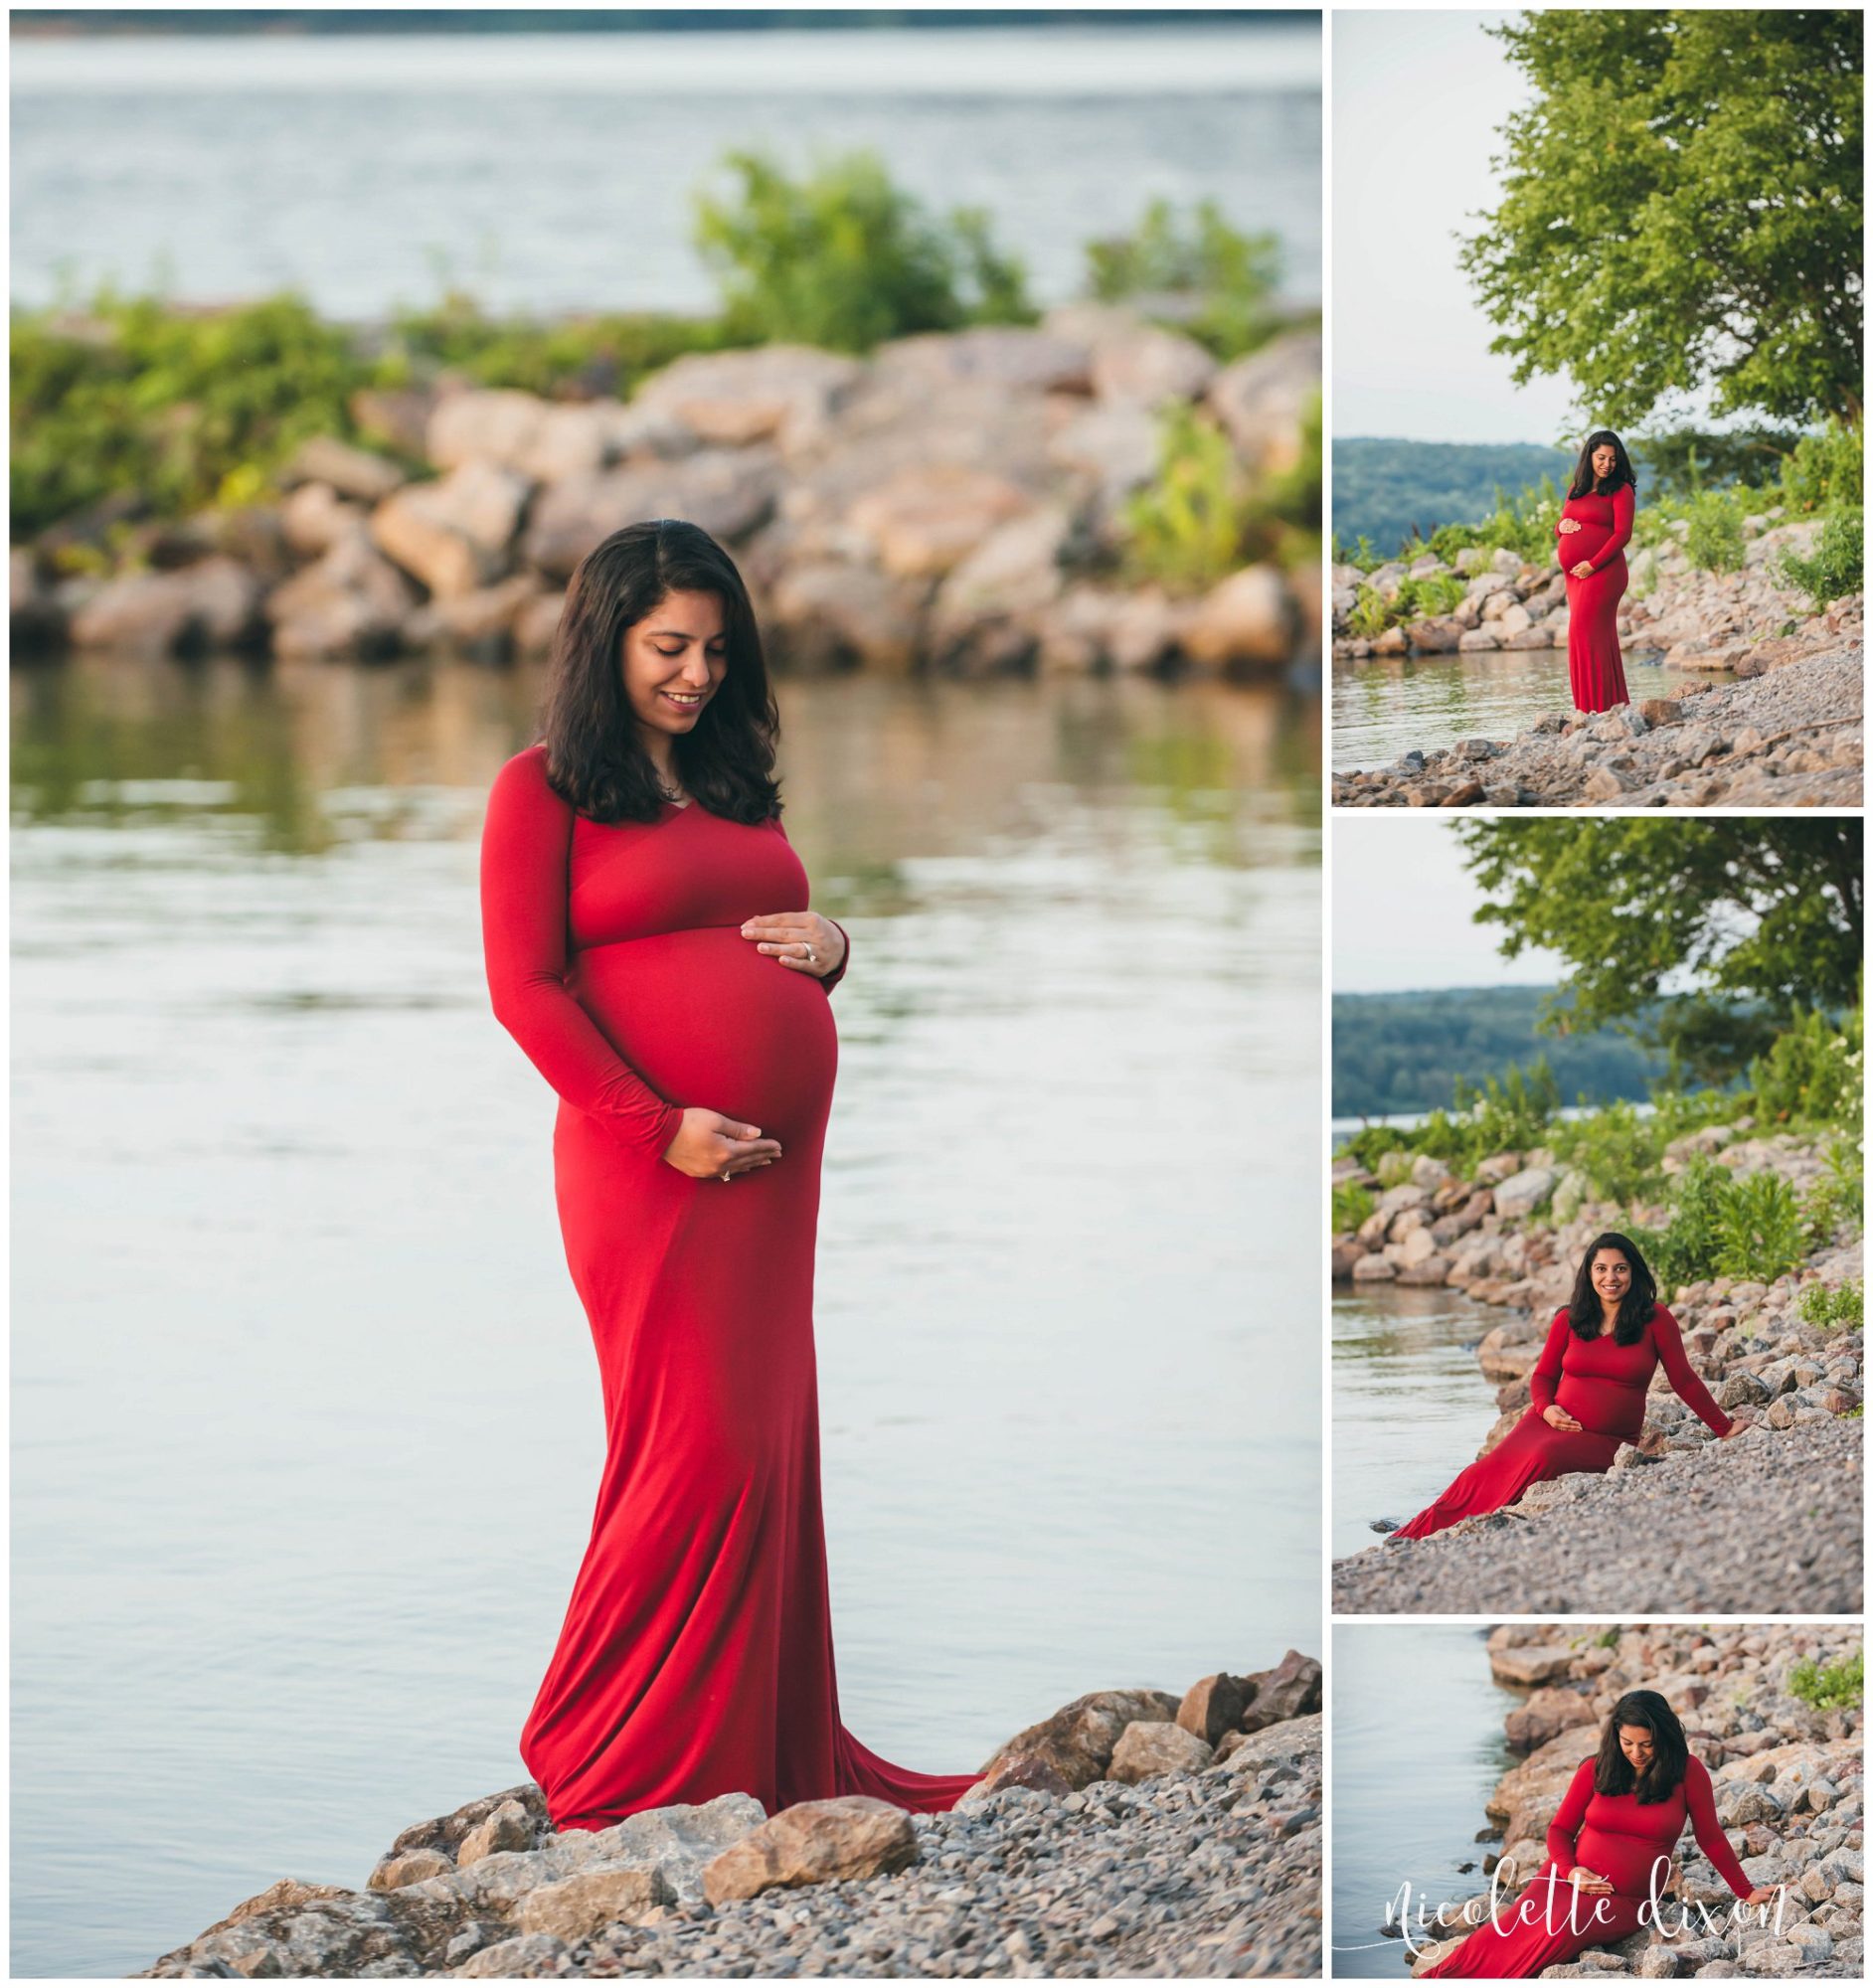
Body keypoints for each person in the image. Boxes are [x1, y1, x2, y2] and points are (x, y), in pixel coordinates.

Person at [479, 517, 983, 1830]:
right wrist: (662, 1128)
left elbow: (774, 926)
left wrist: (835, 943)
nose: (695, 675)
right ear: (605, 643)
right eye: (666, 649)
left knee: (764, 1444)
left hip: (767, 1179)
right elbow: (524, 992)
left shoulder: (733, 782)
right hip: (646, 1164)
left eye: (714, 649)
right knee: (692, 1447)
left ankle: (749, 1744)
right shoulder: (540, 792)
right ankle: (604, 1750)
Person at [1388, 1233, 1741, 1542]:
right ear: (1589, 1274)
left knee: (1545, 1459)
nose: (1611, 1277)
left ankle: (1471, 1527)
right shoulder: (1569, 1320)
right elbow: (1542, 1378)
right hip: (1544, 1424)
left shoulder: (1655, 1319)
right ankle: (1415, 1533)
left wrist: (1724, 1429)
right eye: (1601, 1269)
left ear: (1634, 1272)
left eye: (1620, 1268)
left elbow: (1683, 1380)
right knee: (1477, 1475)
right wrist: (1547, 1409)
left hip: (1607, 1439)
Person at [1422, 1691, 1775, 1977]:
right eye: (1627, 1743)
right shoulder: (1596, 1768)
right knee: (1503, 1931)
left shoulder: (1688, 1772)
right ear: (1616, 1736)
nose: (1636, 1753)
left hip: (1627, 1899)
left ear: (1663, 1738)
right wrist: (1571, 1871)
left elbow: (1709, 1837)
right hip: (1565, 1878)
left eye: (1646, 1744)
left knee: (1559, 1928)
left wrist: (1746, 1892)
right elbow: (1559, 1830)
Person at [1554, 429, 1637, 715]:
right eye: (1601, 457)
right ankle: (1603, 707)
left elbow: (1622, 534)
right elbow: (1563, 522)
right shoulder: (1576, 488)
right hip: (1576, 577)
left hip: (1604, 572)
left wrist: (1593, 564)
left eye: (1612, 459)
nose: (1607, 464)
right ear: (1589, 456)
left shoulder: (1620, 489)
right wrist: (1559, 528)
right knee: (1590, 637)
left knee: (1582, 632)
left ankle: (1597, 708)